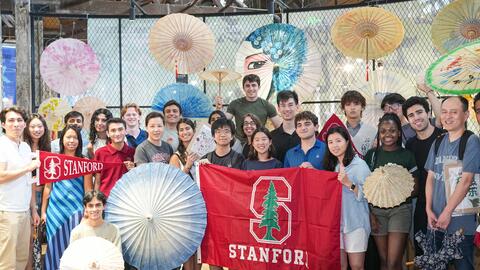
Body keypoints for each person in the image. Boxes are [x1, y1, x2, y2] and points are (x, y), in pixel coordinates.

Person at [425, 96, 480, 270]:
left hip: (460, 222)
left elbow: (466, 180)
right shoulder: (438, 141)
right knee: (434, 265)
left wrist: (447, 212)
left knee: (463, 266)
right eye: (444, 112)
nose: (447, 116)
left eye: (454, 112)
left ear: (466, 115)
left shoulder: (471, 141)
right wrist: (428, 209)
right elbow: (430, 178)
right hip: (435, 220)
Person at [364, 113, 418, 270]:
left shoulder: (406, 155)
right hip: (376, 212)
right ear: (379, 133)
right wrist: (370, 214)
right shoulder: (371, 155)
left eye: (392, 130)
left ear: (399, 133)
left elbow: (416, 187)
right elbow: (366, 187)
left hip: (400, 211)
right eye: (383, 130)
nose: (387, 134)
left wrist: (394, 193)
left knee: (393, 262)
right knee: (384, 260)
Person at [41, 125, 93, 270]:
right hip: (55, 212)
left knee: (76, 247)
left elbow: (88, 190)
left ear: (79, 141)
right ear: (62, 140)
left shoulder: (85, 162)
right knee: (54, 246)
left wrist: (87, 211)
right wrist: (43, 212)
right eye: (68, 137)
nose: (71, 141)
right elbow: (47, 188)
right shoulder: (53, 160)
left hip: (76, 212)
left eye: (75, 137)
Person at [199, 118, 244, 270]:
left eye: (226, 131)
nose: (222, 135)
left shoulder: (239, 158)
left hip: (233, 216)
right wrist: (203, 169)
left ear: (232, 136)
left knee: (234, 258)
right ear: (213, 136)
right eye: (218, 132)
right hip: (213, 217)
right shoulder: (206, 159)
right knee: (215, 258)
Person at [324, 126, 371, 270]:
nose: (334, 145)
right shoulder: (331, 166)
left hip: (356, 223)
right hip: (336, 223)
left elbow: (369, 194)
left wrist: (349, 183)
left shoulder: (359, 165)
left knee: (356, 266)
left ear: (347, 141)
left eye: (338, 140)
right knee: (340, 265)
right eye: (330, 142)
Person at [402, 96, 444, 255]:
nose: (416, 118)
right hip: (421, 206)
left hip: (444, 204)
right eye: (411, 115)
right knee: (423, 254)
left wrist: (428, 91)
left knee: (445, 255)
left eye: (419, 112)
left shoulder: (443, 137)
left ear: (428, 113)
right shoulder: (410, 144)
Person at [0, 106, 40, 270]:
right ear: (3, 124)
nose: (15, 124)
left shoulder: (24, 147)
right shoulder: (2, 145)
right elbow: (1, 176)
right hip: (7, 212)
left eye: (19, 120)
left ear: (24, 124)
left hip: (24, 212)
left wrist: (33, 209)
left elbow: (29, 181)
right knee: (7, 261)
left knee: (22, 259)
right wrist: (27, 168)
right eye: (11, 120)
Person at [23, 113, 51, 270]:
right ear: (27, 128)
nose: (36, 129)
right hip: (27, 196)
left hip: (46, 194)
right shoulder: (22, 147)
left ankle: (41, 266)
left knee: (42, 237)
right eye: (33, 126)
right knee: (28, 238)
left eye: (40, 126)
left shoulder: (49, 147)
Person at [216, 74, 282, 141]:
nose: (251, 89)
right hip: (239, 142)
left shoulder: (267, 105)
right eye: (247, 86)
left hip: (259, 143)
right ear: (243, 88)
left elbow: (279, 127)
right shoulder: (235, 104)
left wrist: (268, 139)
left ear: (259, 87)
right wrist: (219, 108)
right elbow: (223, 122)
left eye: (253, 85)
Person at [94, 118, 135, 197]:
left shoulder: (133, 152)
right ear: (107, 133)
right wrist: (96, 199)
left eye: (120, 129)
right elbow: (97, 181)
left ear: (126, 131)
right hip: (106, 199)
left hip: (127, 199)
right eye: (113, 130)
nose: (117, 133)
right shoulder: (100, 153)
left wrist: (133, 169)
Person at [341, 90, 376, 156]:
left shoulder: (373, 131)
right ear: (343, 108)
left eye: (356, 104)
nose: (352, 108)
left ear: (362, 107)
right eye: (348, 104)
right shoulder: (339, 130)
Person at [271, 90, 301, 163]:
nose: (287, 109)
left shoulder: (306, 134)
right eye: (283, 105)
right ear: (278, 109)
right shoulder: (271, 137)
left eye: (290, 105)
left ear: (297, 107)